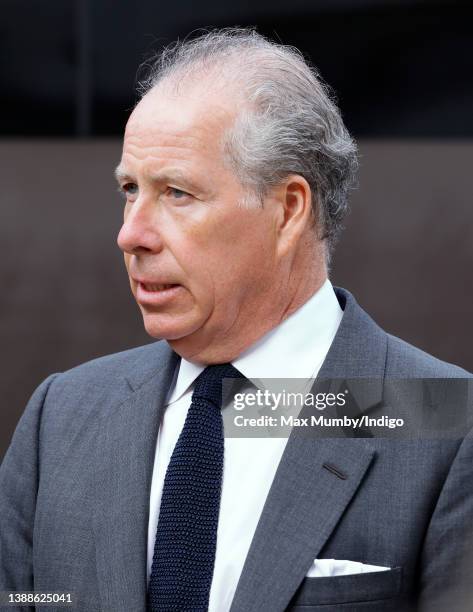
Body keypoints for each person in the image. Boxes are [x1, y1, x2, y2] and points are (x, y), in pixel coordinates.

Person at [0, 28, 472, 612]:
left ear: (288, 210)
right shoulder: (62, 415)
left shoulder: (448, 424)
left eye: (176, 192)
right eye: (130, 189)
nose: (131, 234)